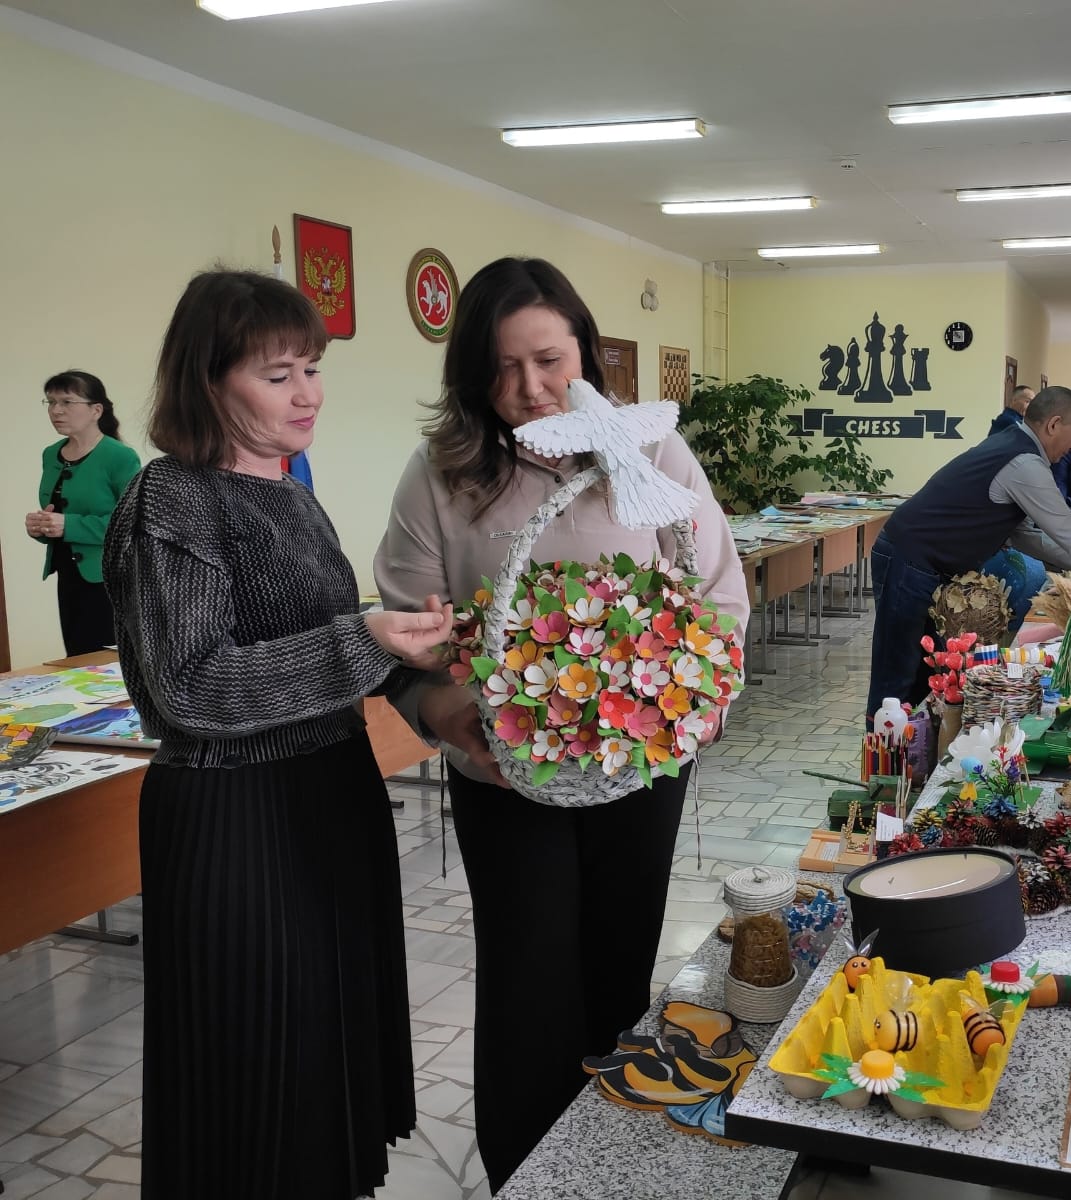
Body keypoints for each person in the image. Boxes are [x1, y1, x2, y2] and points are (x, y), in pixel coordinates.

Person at [374, 256, 749, 1192]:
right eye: (504, 367)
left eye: (549, 359)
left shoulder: (650, 451)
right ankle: (526, 1170)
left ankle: (607, 1159)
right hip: (505, 773)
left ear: (586, 351)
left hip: (641, 769)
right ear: (472, 372)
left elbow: (716, 592)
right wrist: (442, 708)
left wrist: (703, 698)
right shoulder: (442, 474)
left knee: (622, 962)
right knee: (528, 977)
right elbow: (406, 636)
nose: (531, 388)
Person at [102, 269, 451, 1200]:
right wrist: (363, 640)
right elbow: (190, 687)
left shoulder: (291, 492)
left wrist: (417, 655)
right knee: (257, 1070)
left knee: (326, 1055)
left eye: (312, 368)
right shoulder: (173, 497)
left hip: (330, 796)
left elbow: (320, 642)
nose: (308, 395)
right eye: (277, 375)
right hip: (239, 818)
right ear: (207, 381)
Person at [868, 386, 1071, 722]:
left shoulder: (1014, 447)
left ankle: (912, 748)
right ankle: (881, 751)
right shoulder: (1024, 462)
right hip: (909, 558)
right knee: (896, 675)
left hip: (921, 561)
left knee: (924, 671)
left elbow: (1026, 536)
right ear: (1053, 424)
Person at [26, 370, 141, 655]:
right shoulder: (51, 454)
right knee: (77, 658)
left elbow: (132, 522)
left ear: (96, 410)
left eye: (67, 402)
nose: (56, 410)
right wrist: (41, 527)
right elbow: (58, 513)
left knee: (108, 661)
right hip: (68, 574)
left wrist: (68, 525)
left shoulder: (120, 456)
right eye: (51, 402)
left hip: (109, 578)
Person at [989, 383, 1071, 502]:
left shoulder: (1020, 421)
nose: (1031, 407)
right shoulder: (1007, 421)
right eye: (1028, 401)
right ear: (1014, 400)